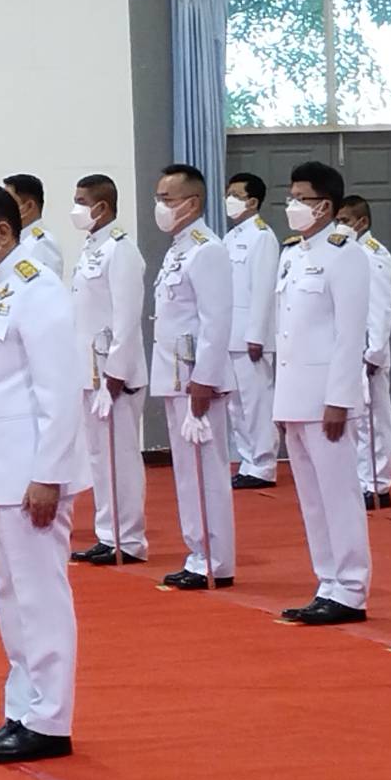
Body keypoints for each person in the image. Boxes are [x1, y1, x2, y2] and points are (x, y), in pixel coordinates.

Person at [0, 182, 88, 764]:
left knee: (40, 596)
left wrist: (48, 474)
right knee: (12, 596)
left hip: (29, 471)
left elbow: (60, 389)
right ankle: (22, 709)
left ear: (2, 232)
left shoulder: (38, 288)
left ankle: (50, 719)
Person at [273, 162, 372, 625]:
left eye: (301, 199)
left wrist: (340, 399)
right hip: (295, 395)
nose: (292, 206)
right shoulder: (292, 253)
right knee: (312, 499)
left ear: (325, 206)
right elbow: (287, 331)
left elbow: (350, 334)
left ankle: (351, 587)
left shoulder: (345, 254)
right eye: (290, 197)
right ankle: (327, 581)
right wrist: (281, 401)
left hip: (326, 398)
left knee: (338, 495)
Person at [151, 164, 237, 589]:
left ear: (193, 203)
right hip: (175, 374)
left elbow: (216, 320)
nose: (160, 206)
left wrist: (205, 378)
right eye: (159, 199)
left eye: (167, 199)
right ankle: (197, 552)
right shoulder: (179, 248)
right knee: (187, 472)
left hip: (196, 378)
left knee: (206, 471)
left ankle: (215, 559)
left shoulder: (207, 249)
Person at [67, 174, 148, 566]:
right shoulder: (92, 247)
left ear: (102, 206)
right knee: (100, 457)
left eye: (82, 201)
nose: (76, 208)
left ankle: (128, 538)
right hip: (90, 370)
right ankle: (108, 532)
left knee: (120, 458)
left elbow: (127, 317)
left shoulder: (121, 250)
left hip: (115, 375)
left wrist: (117, 372)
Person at [336, 194, 391, 510]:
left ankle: (377, 485)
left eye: (345, 220)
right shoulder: (346, 252)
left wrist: (374, 351)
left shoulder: (374, 255)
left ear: (362, 222)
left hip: (368, 350)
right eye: (337, 220)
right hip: (348, 348)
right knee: (355, 420)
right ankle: (360, 480)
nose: (340, 225)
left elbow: (380, 307)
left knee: (373, 421)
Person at [223, 173, 280, 490]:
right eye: (228, 194)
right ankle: (247, 460)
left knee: (256, 402)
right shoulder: (231, 237)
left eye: (236, 194)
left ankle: (264, 463)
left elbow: (263, 289)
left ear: (253, 201)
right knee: (237, 403)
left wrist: (256, 334)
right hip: (230, 333)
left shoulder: (262, 237)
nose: (229, 199)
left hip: (250, 336)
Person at [4, 173, 65, 278]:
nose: (1, 207)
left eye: (7, 202)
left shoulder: (42, 244)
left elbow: (46, 285)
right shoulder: (16, 240)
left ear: (28, 207)